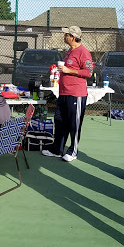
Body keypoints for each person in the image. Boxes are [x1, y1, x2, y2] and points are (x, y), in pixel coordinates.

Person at [42, 25, 93, 162]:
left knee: (74, 124)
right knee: (59, 121)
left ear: (74, 37)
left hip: (76, 94)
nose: (64, 37)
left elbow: (88, 72)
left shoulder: (84, 52)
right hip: (63, 93)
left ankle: (73, 151)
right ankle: (57, 149)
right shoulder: (69, 51)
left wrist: (69, 71)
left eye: (67, 35)